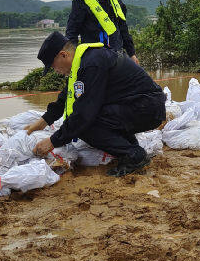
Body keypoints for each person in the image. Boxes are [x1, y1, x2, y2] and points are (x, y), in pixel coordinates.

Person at [25, 31, 165, 176]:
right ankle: (130, 147)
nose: (57, 71)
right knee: (85, 119)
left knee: (84, 125)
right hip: (137, 106)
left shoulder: (92, 64)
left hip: (147, 108)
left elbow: (84, 114)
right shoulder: (83, 61)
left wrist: (53, 141)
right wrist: (44, 121)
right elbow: (67, 96)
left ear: (63, 55)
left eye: (54, 67)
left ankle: (134, 156)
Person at [65, 0, 138, 63]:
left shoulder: (116, 0)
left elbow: (123, 30)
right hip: (93, 58)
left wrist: (132, 53)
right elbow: (72, 32)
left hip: (116, 56)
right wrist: (71, 56)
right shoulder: (81, 1)